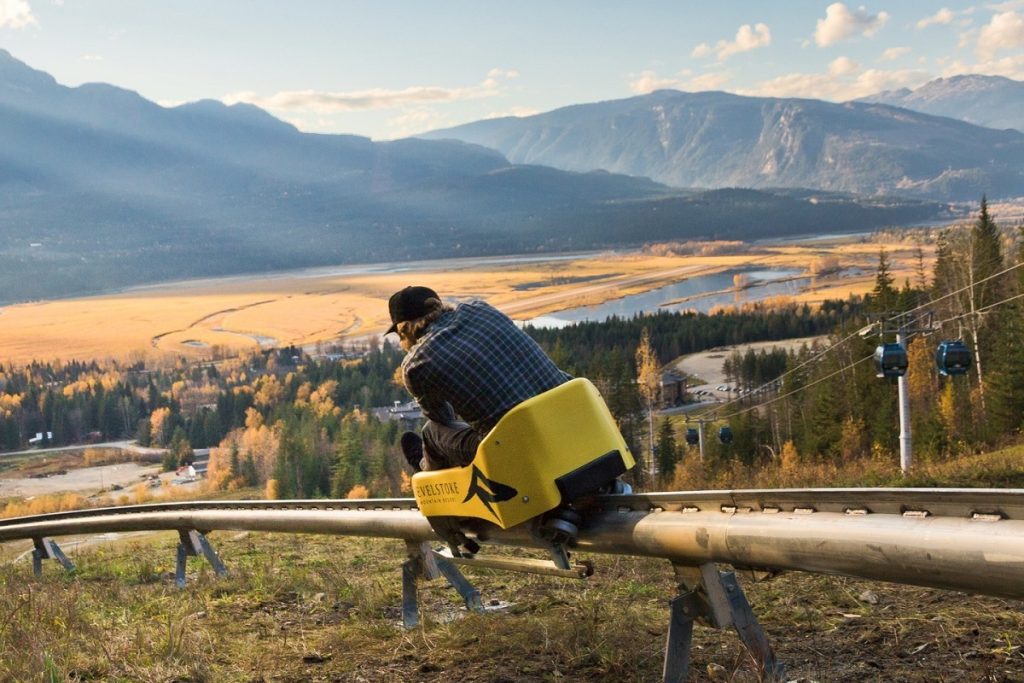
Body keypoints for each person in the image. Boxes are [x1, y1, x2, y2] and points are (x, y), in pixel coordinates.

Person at [385, 285, 571, 472]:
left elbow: (443, 418)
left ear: (405, 328)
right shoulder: (480, 308)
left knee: (431, 433)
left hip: (517, 446)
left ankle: (425, 475)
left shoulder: (416, 364)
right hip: (569, 414)